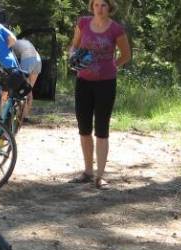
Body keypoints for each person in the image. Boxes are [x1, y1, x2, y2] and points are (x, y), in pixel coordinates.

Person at [67, 0, 131, 188]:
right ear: (92, 6)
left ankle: (100, 176)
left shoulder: (116, 29)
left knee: (102, 129)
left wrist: (113, 66)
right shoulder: (83, 23)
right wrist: (73, 57)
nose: (99, 9)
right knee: (84, 128)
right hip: (83, 82)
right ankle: (88, 171)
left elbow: (126, 54)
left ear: (109, 7)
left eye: (103, 5)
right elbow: (74, 45)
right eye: (96, 5)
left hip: (106, 84)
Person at [12, 38, 42, 122]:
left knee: (23, 88)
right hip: (38, 59)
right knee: (29, 88)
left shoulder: (9, 43)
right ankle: (26, 115)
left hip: (28, 58)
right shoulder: (20, 41)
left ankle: (21, 116)